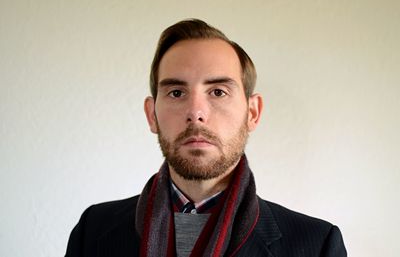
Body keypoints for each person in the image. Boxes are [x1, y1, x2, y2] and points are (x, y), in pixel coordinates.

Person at [65, 19, 347, 257]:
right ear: (152, 115)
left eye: (218, 92)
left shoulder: (316, 244)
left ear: (252, 113)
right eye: (176, 93)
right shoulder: (93, 232)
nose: (196, 112)